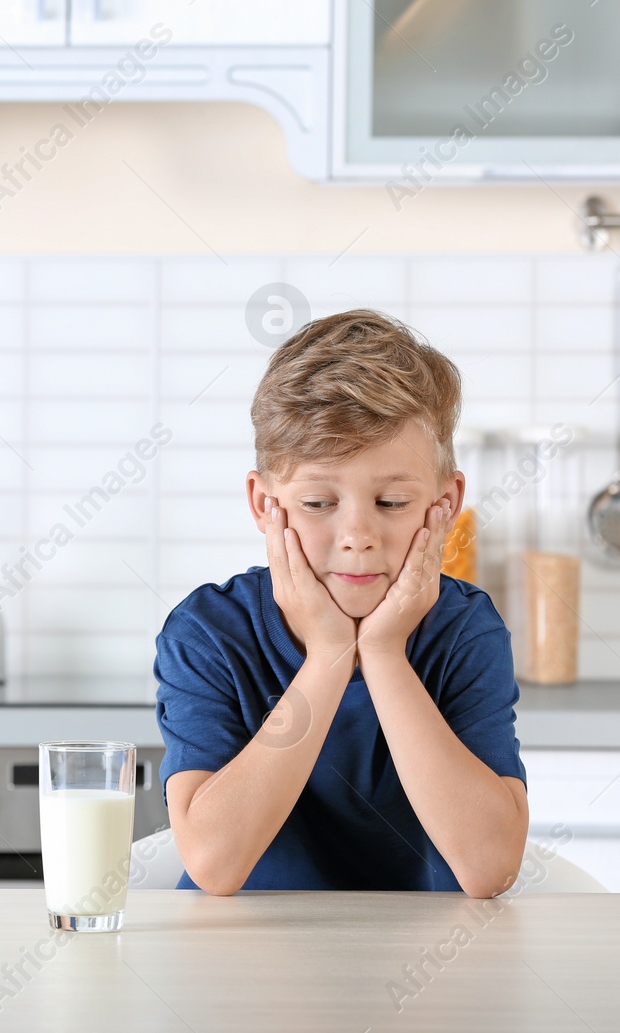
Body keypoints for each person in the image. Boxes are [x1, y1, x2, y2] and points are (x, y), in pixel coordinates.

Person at [155, 309, 528, 897]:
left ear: (446, 502)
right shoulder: (209, 633)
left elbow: (491, 868)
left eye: (392, 501)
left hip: (428, 972)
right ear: (263, 503)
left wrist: (382, 652)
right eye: (319, 504)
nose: (357, 535)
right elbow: (214, 864)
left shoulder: (465, 631)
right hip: (242, 973)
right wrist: (330, 653)